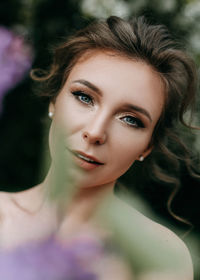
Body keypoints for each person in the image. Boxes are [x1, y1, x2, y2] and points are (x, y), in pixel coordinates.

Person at [0, 16, 199, 279]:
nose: (95, 132)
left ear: (148, 146)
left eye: (131, 120)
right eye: (84, 97)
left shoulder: (159, 254)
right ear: (53, 102)